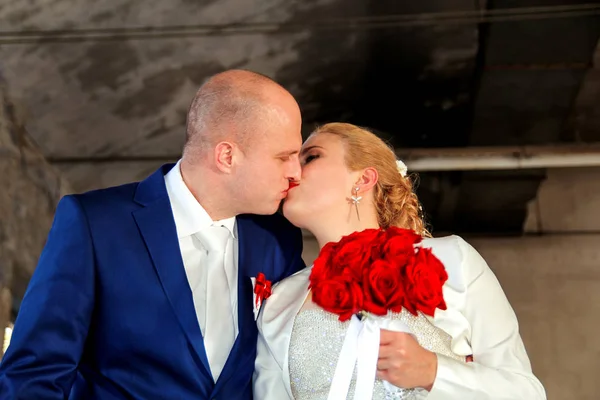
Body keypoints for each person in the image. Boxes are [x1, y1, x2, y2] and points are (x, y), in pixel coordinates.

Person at [0, 70, 306, 399]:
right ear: (227, 156)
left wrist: (369, 348)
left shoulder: (276, 239)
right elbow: (33, 374)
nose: (296, 173)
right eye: (284, 157)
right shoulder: (95, 224)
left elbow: (302, 347)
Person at [253, 122, 546, 399]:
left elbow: (526, 392)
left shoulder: (452, 258)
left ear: (364, 179)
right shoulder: (279, 300)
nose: (292, 171)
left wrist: (433, 371)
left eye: (311, 157)